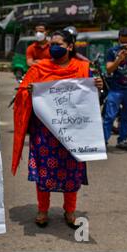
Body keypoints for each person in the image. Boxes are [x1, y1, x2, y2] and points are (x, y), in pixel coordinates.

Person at [12, 30, 103, 228]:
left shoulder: (82, 68)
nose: (53, 47)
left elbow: (91, 100)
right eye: (52, 43)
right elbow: (21, 93)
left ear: (70, 47)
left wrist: (97, 86)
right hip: (45, 133)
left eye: (58, 44)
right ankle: (42, 210)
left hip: (72, 133)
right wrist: (28, 92)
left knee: (72, 173)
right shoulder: (39, 68)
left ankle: (70, 211)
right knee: (43, 172)